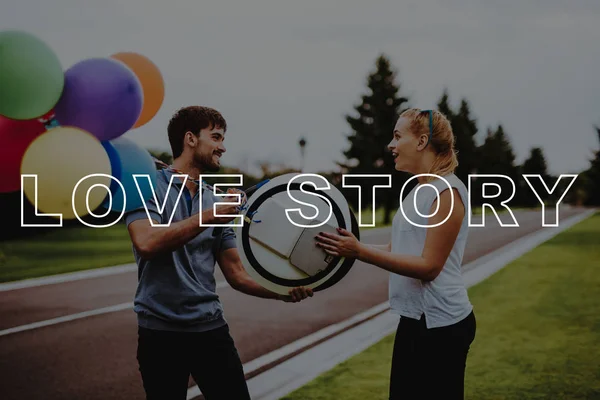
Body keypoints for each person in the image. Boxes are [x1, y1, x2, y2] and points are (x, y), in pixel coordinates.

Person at [125, 105, 313, 400]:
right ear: (190, 139)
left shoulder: (216, 200)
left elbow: (236, 274)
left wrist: (282, 291)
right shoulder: (147, 187)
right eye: (215, 137)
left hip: (210, 330)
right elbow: (147, 243)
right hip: (159, 335)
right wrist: (211, 216)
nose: (222, 146)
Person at [316, 108, 476, 400]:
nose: (390, 145)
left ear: (421, 141)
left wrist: (360, 250)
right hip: (415, 319)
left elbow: (429, 266)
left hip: (441, 325)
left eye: (397, 136)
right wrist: (346, 247)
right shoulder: (419, 189)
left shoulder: (446, 193)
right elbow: (397, 250)